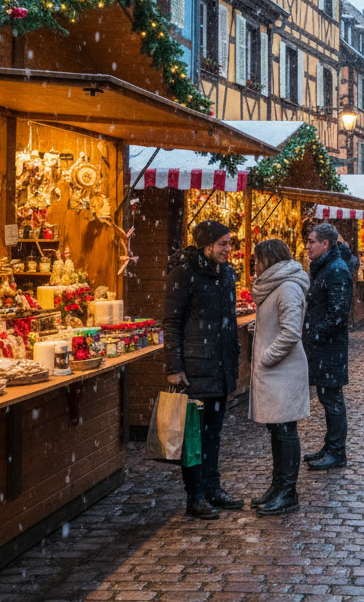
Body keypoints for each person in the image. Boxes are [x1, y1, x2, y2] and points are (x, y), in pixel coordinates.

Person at [163, 220, 245, 518]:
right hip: (194, 369)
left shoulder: (227, 274)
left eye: (229, 243)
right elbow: (171, 322)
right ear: (206, 244)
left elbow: (229, 321)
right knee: (193, 436)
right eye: (222, 244)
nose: (228, 249)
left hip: (220, 367)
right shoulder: (184, 273)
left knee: (214, 433)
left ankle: (213, 488)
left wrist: (232, 360)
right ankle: (195, 496)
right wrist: (174, 366)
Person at [247, 239, 311, 516]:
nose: (255, 265)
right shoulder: (277, 286)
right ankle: (278, 486)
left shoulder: (287, 287)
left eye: (257, 259)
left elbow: (291, 332)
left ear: (268, 260)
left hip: (283, 372)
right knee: (277, 430)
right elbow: (279, 324)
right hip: (276, 374)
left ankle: (288, 492)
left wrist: (266, 357)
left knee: (285, 432)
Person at [302, 223, 354, 471]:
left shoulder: (335, 270)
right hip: (324, 347)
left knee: (332, 400)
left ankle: (336, 451)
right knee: (327, 398)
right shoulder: (327, 267)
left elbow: (338, 314)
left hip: (330, 348)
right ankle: (330, 445)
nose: (307, 246)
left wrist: (314, 334)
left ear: (326, 244)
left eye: (312, 241)